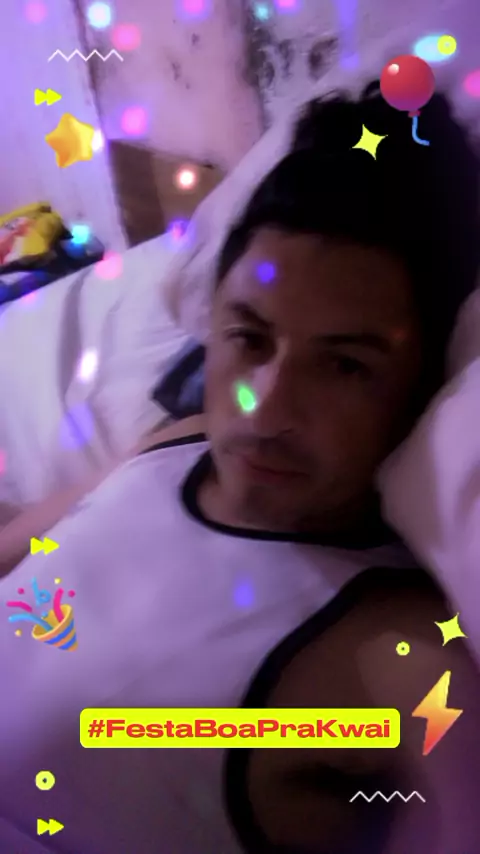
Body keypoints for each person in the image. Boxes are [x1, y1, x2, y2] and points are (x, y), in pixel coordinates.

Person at [0, 81, 479, 854]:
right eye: (251, 339)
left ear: (420, 387)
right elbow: (16, 550)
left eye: (346, 366)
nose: (266, 408)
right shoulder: (176, 444)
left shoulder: (402, 654)